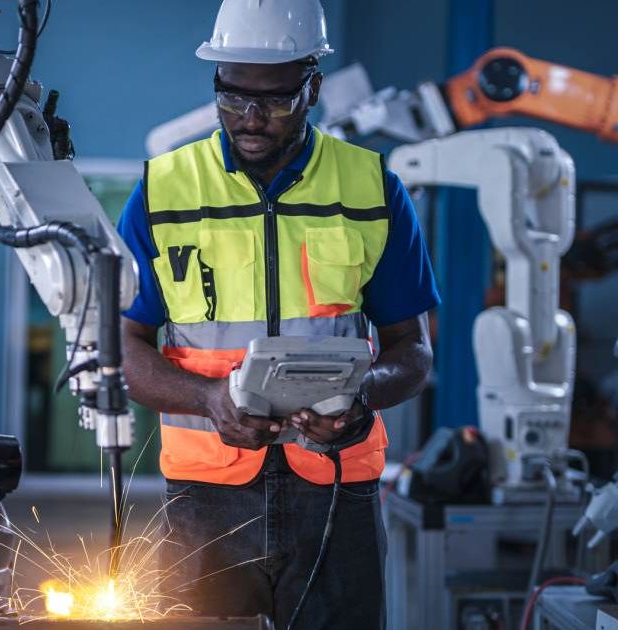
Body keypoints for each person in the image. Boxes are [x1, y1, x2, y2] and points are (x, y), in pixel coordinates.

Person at [116, 1, 440, 627]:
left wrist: (361, 400)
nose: (252, 118)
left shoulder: (372, 188)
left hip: (337, 486)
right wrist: (208, 398)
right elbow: (123, 346)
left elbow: (413, 349)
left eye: (276, 99)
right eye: (233, 98)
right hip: (207, 493)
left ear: (313, 86)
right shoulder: (163, 190)